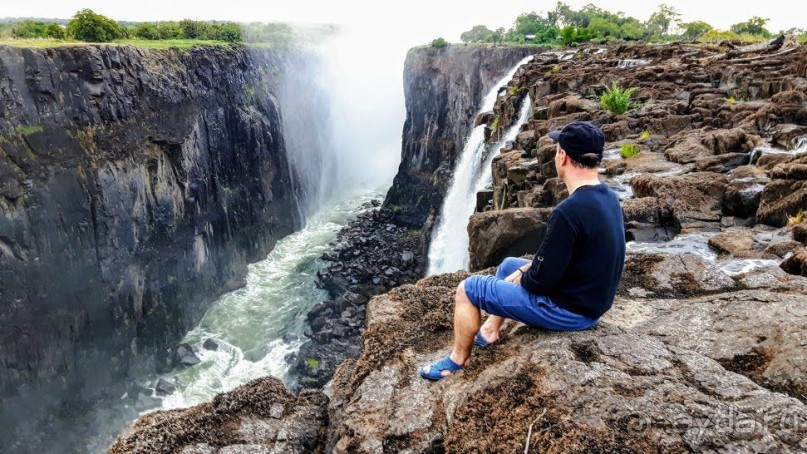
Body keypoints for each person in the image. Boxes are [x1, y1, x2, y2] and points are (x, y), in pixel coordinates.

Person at [421, 121, 626, 380]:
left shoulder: (569, 212)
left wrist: (522, 277)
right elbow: (571, 259)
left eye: (556, 150)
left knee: (468, 289)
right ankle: (489, 331)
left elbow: (541, 282)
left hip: (570, 312)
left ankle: (457, 360)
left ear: (562, 157)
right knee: (508, 264)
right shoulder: (607, 197)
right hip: (590, 302)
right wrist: (520, 271)